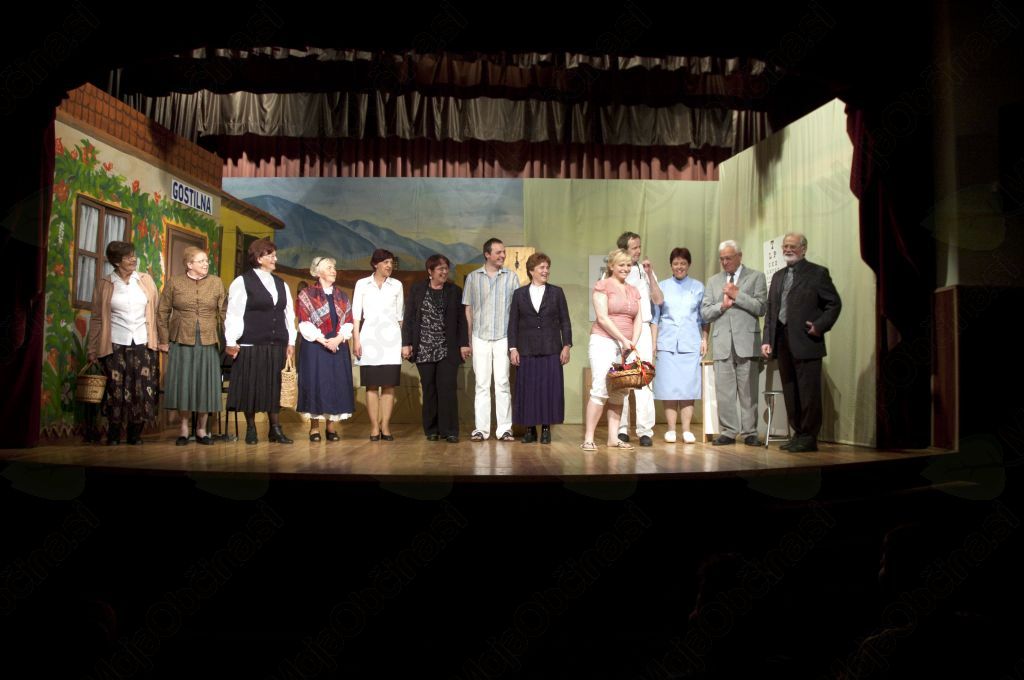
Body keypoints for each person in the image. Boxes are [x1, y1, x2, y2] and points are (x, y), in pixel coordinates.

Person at [761, 232, 842, 452]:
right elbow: (771, 310)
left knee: (808, 392)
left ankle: (809, 436)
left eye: (792, 246)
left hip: (806, 341)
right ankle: (798, 432)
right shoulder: (778, 276)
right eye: (785, 246)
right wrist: (767, 339)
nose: (788, 250)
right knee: (790, 391)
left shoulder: (817, 273)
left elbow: (834, 304)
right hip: (782, 342)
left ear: (803, 249)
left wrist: (819, 326)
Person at [86, 241, 160, 445]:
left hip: (142, 342)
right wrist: (92, 349)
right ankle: (114, 433)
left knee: (142, 389)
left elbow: (156, 312)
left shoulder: (145, 280)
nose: (133, 259)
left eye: (134, 255)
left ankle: (135, 434)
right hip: (115, 343)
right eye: (128, 257)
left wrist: (160, 341)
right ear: (117, 262)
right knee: (115, 389)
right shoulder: (105, 283)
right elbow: (97, 318)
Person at [224, 238, 296, 445]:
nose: (275, 258)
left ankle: (275, 428)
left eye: (275, 255)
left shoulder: (281, 283)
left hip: (276, 343)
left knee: (274, 386)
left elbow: (288, 314)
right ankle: (251, 428)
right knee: (251, 386)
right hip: (251, 343)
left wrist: (291, 341)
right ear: (258, 258)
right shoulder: (242, 282)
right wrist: (231, 340)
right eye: (270, 255)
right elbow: (234, 313)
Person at [157, 246, 227, 446]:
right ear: (189, 264)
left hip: (208, 339)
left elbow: (224, 312)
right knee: (184, 383)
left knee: (206, 383)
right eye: (201, 261)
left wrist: (230, 339)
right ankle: (184, 428)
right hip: (181, 338)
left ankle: (202, 429)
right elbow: (162, 312)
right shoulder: (175, 282)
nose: (206, 264)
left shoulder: (216, 282)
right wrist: (164, 340)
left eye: (206, 260)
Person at [701, 239, 768, 446]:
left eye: (728, 258)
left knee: (748, 391)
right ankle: (728, 431)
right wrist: (721, 306)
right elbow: (705, 312)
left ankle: (750, 432)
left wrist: (738, 295)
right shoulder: (713, 281)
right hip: (722, 343)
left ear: (739, 256)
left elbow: (761, 308)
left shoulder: (756, 277)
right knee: (724, 392)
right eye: (721, 259)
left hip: (747, 342)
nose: (724, 262)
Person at [402, 254, 470, 443]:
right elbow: (409, 318)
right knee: (429, 389)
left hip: (447, 348)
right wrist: (406, 343)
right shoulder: (418, 289)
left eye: (446, 268)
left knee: (447, 389)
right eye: (440, 269)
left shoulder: (454, 291)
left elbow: (461, 320)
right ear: (430, 271)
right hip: (424, 348)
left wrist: (464, 343)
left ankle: (450, 430)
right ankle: (432, 429)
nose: (444, 272)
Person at [581, 249, 642, 452]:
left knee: (620, 391)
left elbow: (638, 319)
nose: (625, 268)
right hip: (604, 341)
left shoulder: (633, 290)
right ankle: (589, 438)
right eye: (621, 265)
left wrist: (632, 343)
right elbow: (602, 317)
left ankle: (613, 438)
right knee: (600, 387)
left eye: (628, 265)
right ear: (612, 266)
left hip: (626, 346)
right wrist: (623, 339)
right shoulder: (603, 285)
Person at [508, 253, 572, 444]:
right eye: (541, 268)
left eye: (547, 267)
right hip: (526, 349)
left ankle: (545, 429)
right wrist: (513, 348)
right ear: (531, 271)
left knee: (548, 390)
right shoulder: (519, 294)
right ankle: (529, 430)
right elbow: (513, 323)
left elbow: (565, 321)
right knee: (528, 390)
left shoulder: (556, 292)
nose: (546, 271)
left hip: (551, 348)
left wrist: (566, 345)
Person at [462, 237, 519, 442]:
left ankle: (504, 429)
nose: (503, 255)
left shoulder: (511, 277)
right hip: (480, 336)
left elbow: (516, 311)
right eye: (498, 252)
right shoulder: (473, 278)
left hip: (503, 336)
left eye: (503, 252)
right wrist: (468, 339)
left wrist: (514, 342)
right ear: (487, 254)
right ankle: (481, 429)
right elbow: (468, 310)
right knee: (482, 384)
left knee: (502, 383)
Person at [611, 231, 663, 447]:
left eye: (639, 247)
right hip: (621, 329)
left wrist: (650, 275)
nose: (638, 251)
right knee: (622, 379)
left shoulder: (644, 270)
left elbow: (658, 300)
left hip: (643, 329)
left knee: (644, 378)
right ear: (624, 250)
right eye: (634, 248)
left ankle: (645, 430)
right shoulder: (612, 274)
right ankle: (621, 429)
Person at [296, 256, 355, 442]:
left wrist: (337, 339)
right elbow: (304, 322)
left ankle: (331, 427)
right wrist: (323, 341)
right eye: (329, 267)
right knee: (315, 383)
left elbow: (348, 321)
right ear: (318, 272)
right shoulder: (307, 294)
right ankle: (314, 428)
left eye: (334, 267)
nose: (333, 271)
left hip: (337, 344)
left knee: (335, 384)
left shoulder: (341, 295)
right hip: (315, 345)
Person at [652, 247, 708, 443]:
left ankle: (686, 430)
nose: (679, 267)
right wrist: (653, 343)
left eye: (683, 263)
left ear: (689, 265)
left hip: (690, 342)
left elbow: (704, 318)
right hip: (666, 343)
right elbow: (655, 318)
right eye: (676, 263)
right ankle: (670, 429)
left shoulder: (698, 287)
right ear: (671, 265)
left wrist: (704, 339)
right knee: (668, 388)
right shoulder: (662, 286)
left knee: (687, 388)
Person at [352, 248, 404, 441]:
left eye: (391, 262)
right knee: (372, 385)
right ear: (376, 264)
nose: (389, 266)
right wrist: (356, 340)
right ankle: (374, 427)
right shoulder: (362, 284)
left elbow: (400, 317)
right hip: (369, 340)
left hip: (391, 340)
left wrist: (402, 342)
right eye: (386, 262)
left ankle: (386, 426)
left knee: (389, 386)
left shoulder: (396, 285)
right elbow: (356, 315)